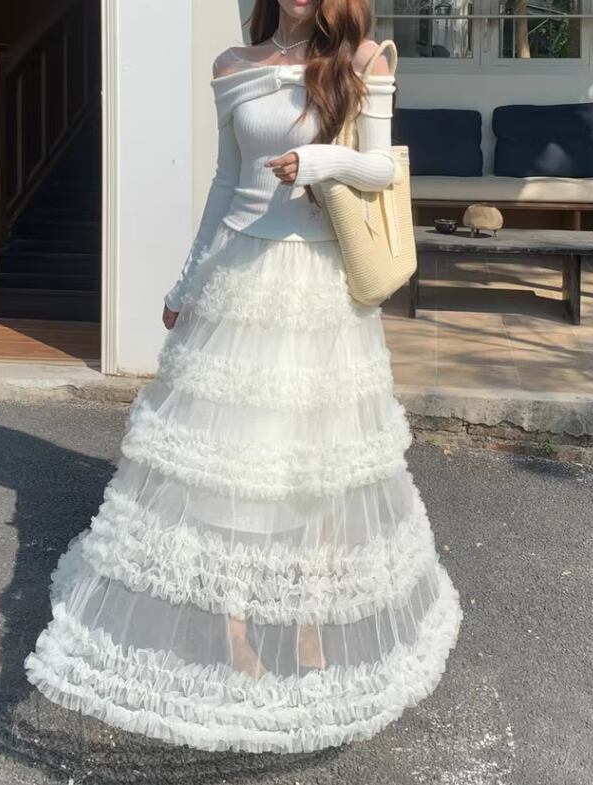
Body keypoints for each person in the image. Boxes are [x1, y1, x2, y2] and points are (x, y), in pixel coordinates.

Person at [24, 0, 462, 755]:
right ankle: (234, 627)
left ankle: (308, 619)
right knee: (232, 463)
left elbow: (383, 167)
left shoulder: (361, 59)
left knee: (321, 464)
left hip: (321, 286)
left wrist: (319, 162)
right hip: (240, 281)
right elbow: (225, 186)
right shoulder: (233, 65)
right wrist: (184, 284)